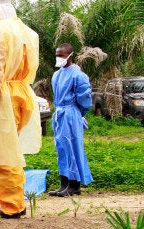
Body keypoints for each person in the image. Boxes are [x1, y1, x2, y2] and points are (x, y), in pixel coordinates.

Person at [0, 0, 42, 219]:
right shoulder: (28, 32)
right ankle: (15, 201)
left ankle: (11, 206)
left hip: (4, 97)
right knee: (13, 150)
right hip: (23, 91)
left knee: (4, 153)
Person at [48, 43, 93, 196]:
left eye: (61, 55)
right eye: (57, 54)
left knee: (72, 147)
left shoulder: (78, 75)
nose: (58, 57)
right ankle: (64, 183)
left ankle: (74, 185)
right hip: (60, 113)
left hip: (71, 113)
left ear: (70, 55)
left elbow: (85, 97)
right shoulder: (57, 74)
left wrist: (79, 113)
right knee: (62, 148)